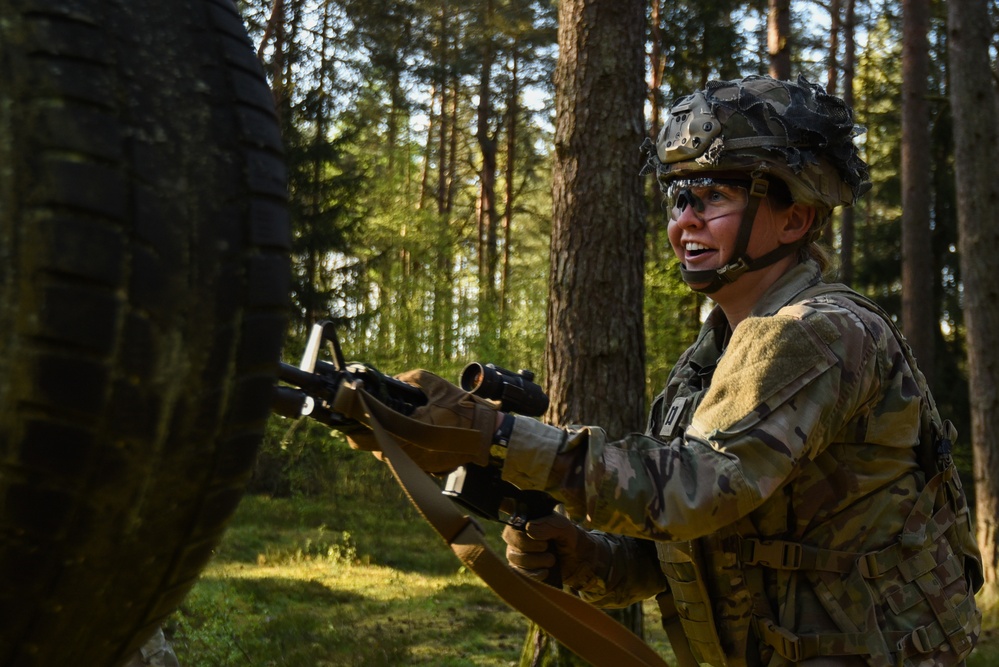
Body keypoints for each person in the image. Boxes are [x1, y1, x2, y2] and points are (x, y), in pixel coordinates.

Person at [380, 75, 983, 666]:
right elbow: (689, 543)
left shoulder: (814, 332)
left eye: (716, 195)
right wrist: (587, 556)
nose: (685, 220)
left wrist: (489, 435)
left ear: (795, 218)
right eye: (678, 197)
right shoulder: (714, 355)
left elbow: (691, 490)